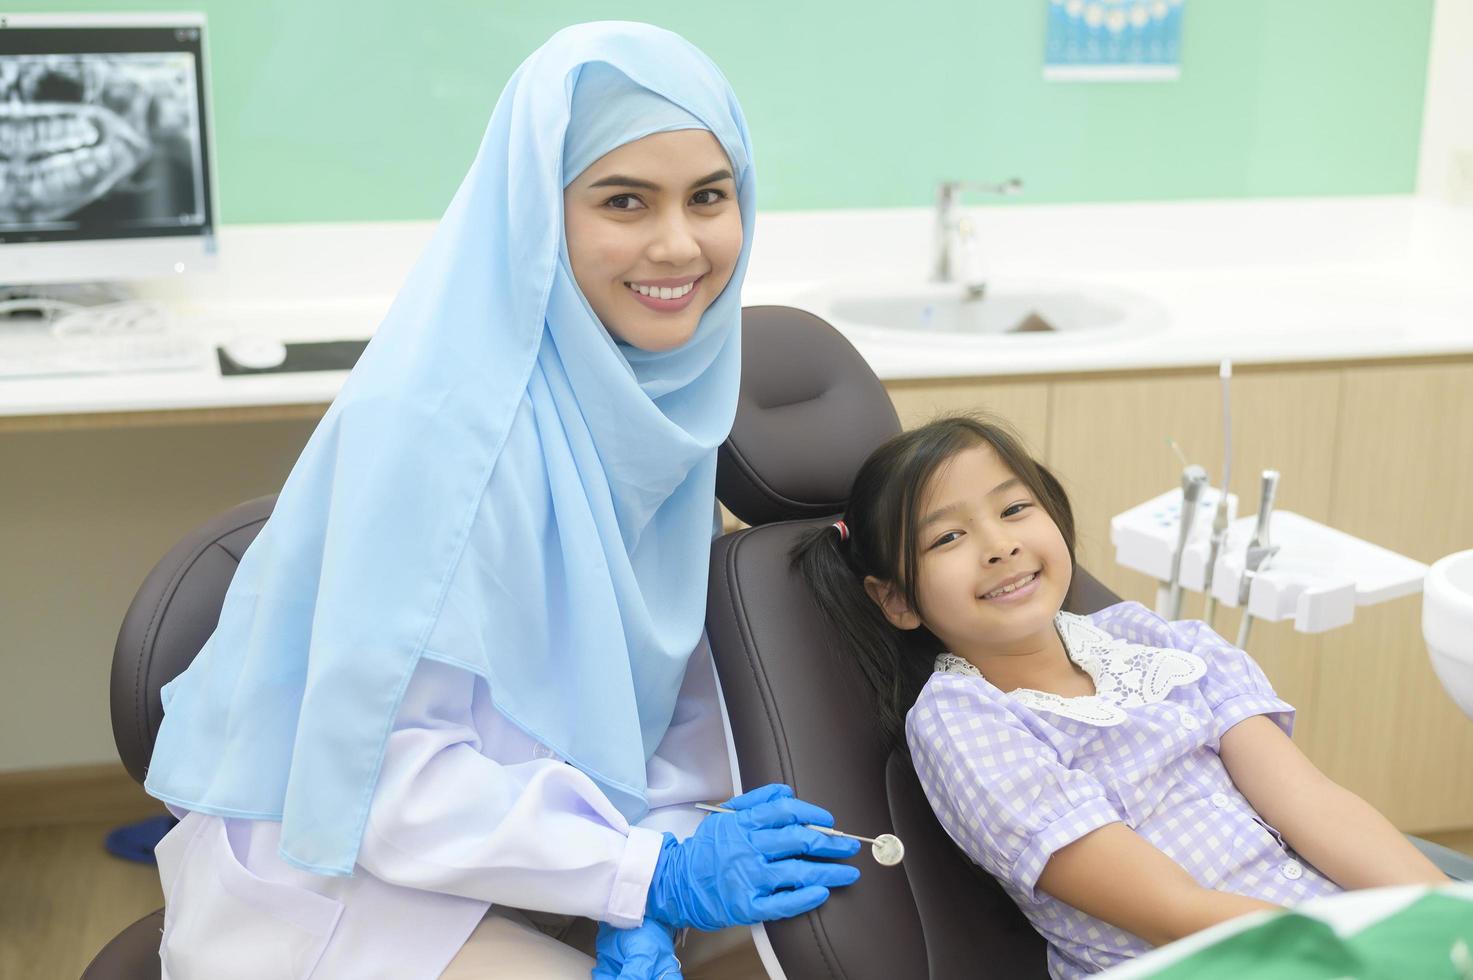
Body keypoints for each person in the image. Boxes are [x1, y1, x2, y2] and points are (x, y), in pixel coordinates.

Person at [143, 22, 859, 980]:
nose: (678, 243)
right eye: (623, 200)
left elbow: (661, 702)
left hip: (525, 863)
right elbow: (385, 787)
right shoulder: (436, 430)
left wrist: (665, 850)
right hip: (335, 883)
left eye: (708, 197)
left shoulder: (655, 404)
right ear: (538, 214)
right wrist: (640, 873)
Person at [791, 414, 1449, 978]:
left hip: (1313, 929)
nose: (1000, 545)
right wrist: (1354, 956)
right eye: (947, 537)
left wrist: (1440, 914)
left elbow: (1309, 803)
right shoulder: (962, 720)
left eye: (1014, 508)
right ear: (898, 600)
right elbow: (1174, 913)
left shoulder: (1148, 638)